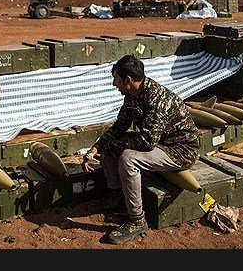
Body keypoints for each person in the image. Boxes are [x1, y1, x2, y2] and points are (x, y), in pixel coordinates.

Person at [82, 54, 200, 244]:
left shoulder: (157, 99)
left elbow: (147, 141)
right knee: (116, 144)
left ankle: (137, 220)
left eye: (116, 80)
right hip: (160, 142)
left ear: (128, 80)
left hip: (179, 150)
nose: (114, 84)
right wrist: (97, 147)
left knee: (128, 158)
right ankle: (116, 197)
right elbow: (119, 126)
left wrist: (113, 146)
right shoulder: (132, 95)